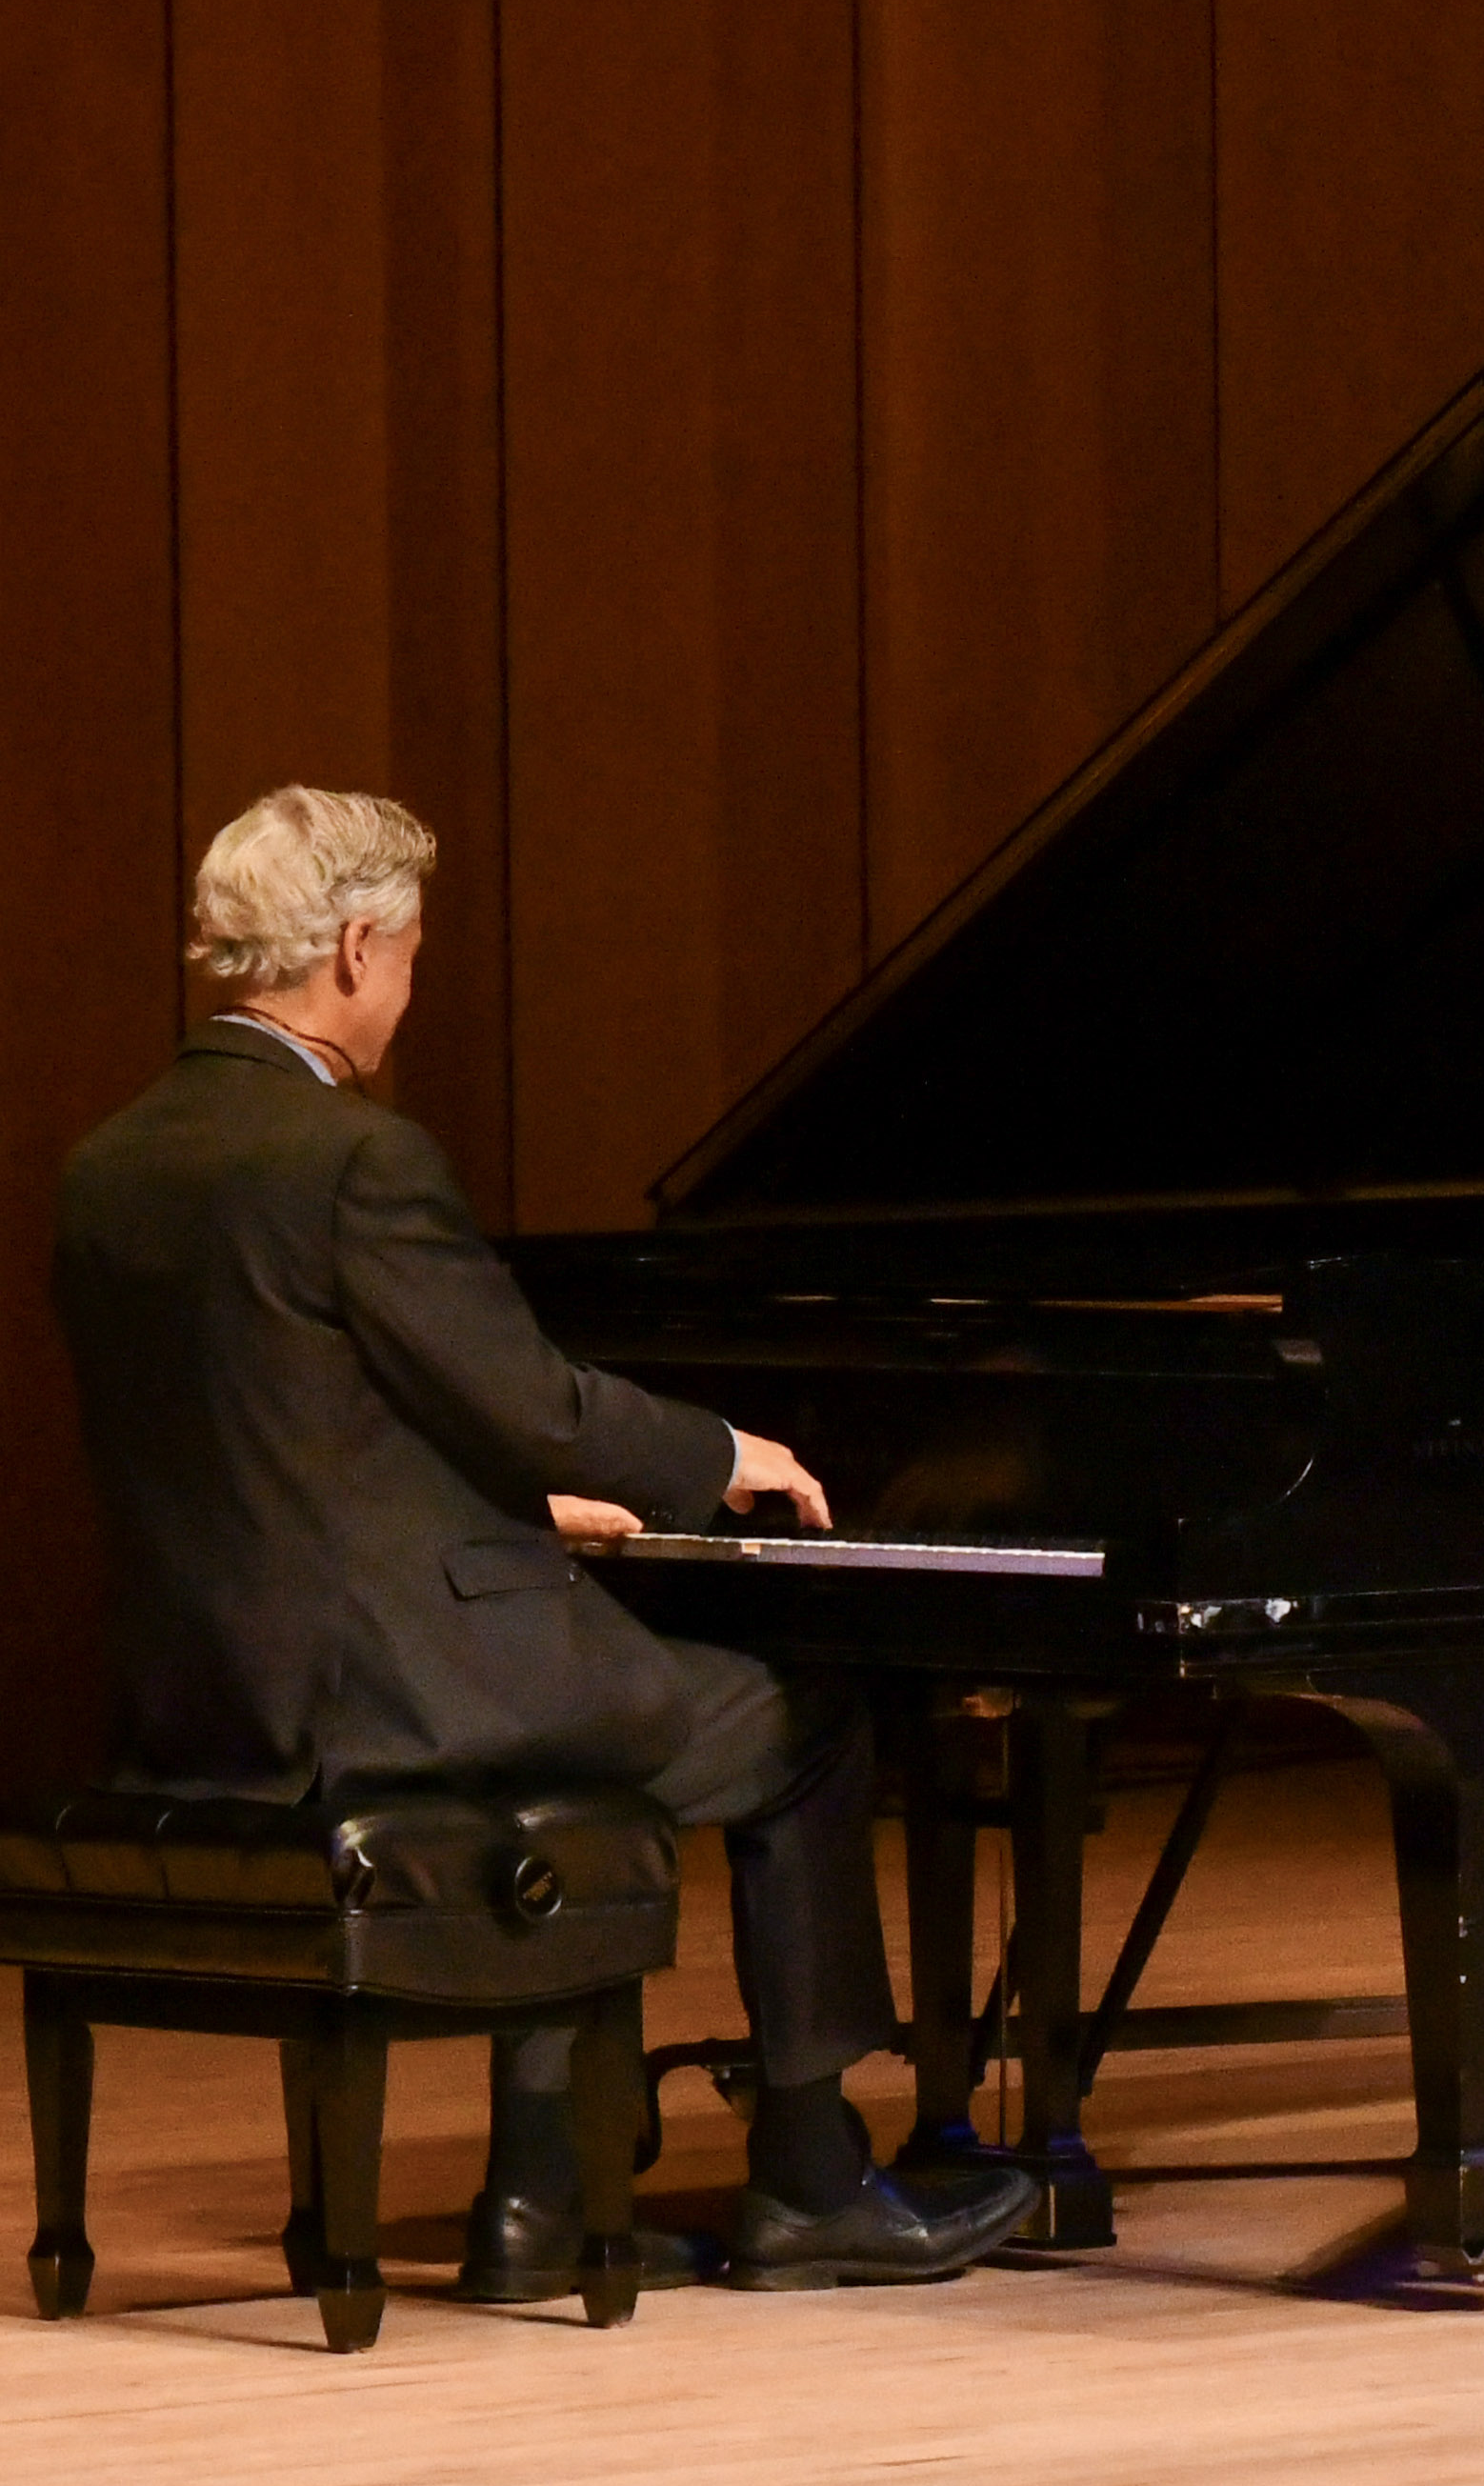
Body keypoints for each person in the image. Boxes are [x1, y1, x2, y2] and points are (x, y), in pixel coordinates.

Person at [51, 784, 1032, 2291]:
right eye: (416, 955)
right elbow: (532, 1400)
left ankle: (537, 2193)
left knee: (592, 1745)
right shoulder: (351, 1160)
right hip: (397, 1695)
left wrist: (510, 1508)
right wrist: (717, 1454)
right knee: (803, 1721)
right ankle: (812, 2173)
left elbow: (281, 1442)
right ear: (358, 949)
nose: (409, 993)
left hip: (205, 1697)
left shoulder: (110, 1164)